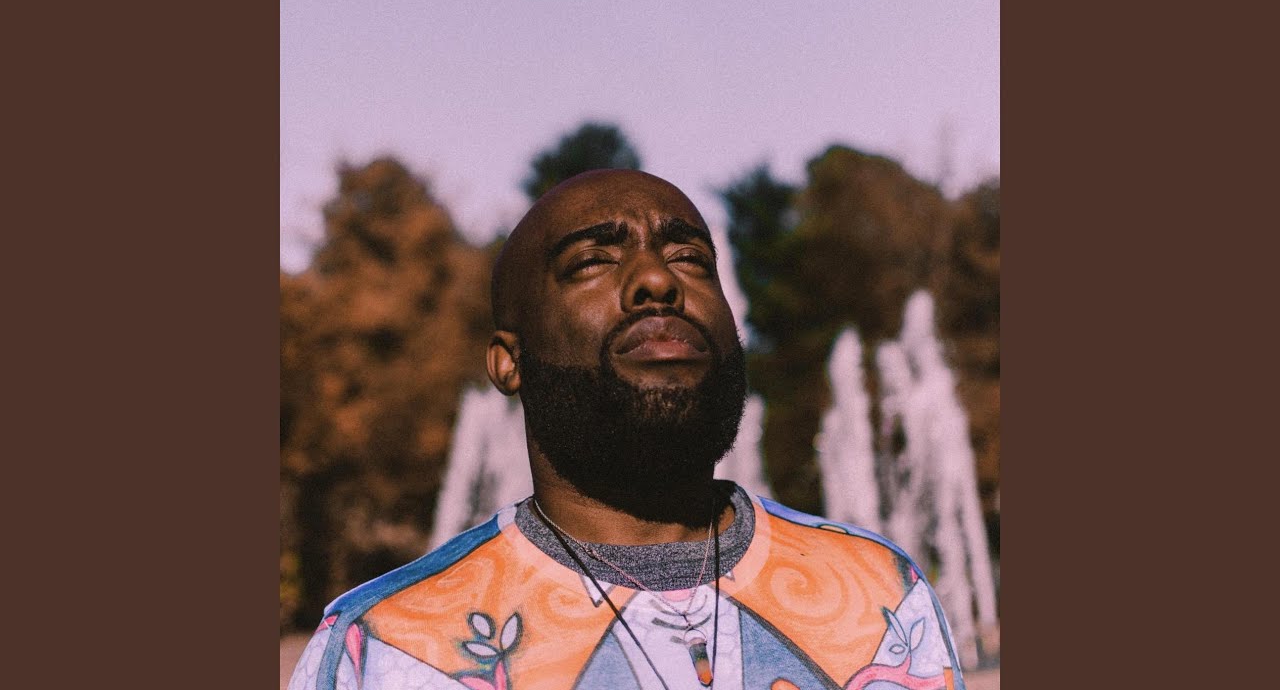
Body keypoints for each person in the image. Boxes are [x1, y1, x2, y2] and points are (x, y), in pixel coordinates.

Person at [288, 170, 967, 690]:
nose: (656, 280)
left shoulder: (881, 595)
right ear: (509, 361)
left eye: (690, 258)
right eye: (591, 261)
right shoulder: (385, 649)